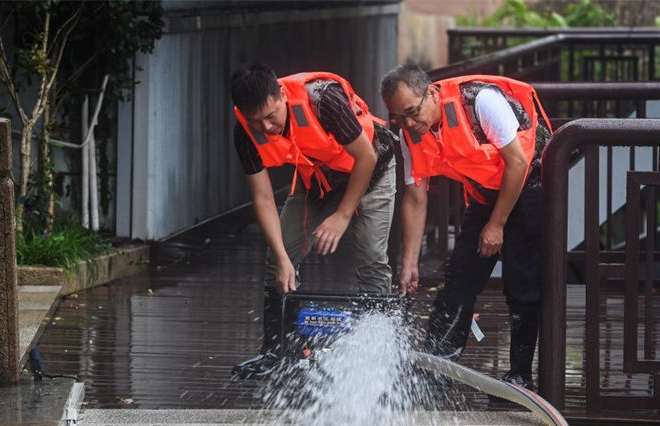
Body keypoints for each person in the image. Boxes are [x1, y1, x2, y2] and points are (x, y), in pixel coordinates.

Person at [380, 64, 552, 389]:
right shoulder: (408, 135)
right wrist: (410, 262)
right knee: (459, 278)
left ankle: (520, 375)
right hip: (487, 194)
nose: (409, 124)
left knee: (522, 281)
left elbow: (518, 162)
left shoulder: (480, 102)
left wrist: (496, 225)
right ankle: (437, 370)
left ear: (432, 93)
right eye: (398, 118)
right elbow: (415, 197)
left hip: (531, 185)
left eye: (412, 112)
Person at [231, 64, 397, 377]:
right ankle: (277, 352)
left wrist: (342, 215)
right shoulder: (244, 131)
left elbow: (366, 157)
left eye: (271, 115)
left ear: (282, 95)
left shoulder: (324, 100)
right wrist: (283, 258)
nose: (266, 127)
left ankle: (379, 352)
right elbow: (263, 198)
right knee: (279, 257)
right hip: (319, 180)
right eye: (256, 121)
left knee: (371, 257)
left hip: (372, 171)